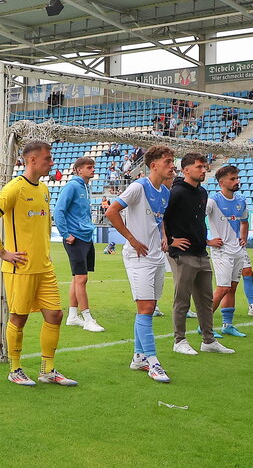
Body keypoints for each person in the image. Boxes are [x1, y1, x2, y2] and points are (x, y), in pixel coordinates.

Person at [0, 141, 77, 387]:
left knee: (55, 315)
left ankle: (47, 370)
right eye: (47, 158)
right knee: (19, 318)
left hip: (44, 266)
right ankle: (15, 369)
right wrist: (3, 252)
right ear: (32, 160)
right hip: (21, 267)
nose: (51, 162)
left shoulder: (44, 189)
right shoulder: (15, 188)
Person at [105, 145, 176, 382]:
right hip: (138, 257)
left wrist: (164, 236)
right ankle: (153, 362)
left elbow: (160, 219)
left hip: (156, 255)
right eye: (168, 161)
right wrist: (132, 239)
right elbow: (112, 212)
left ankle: (138, 357)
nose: (172, 165)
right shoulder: (138, 187)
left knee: (148, 307)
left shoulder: (165, 191)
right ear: (153, 165)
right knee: (146, 308)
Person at [164, 153, 235, 355]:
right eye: (199, 167)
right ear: (186, 170)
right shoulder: (175, 192)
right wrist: (170, 241)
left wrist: (204, 242)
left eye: (205, 167)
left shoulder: (202, 193)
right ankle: (179, 340)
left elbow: (196, 224)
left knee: (205, 300)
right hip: (182, 253)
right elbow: (161, 218)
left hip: (201, 253)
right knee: (182, 299)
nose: (204, 170)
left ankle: (208, 340)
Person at [206, 165, 253, 341]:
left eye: (237, 178)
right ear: (221, 182)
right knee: (222, 288)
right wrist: (207, 241)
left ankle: (227, 325)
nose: (237, 181)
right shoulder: (212, 201)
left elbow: (244, 221)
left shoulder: (241, 200)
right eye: (232, 179)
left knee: (231, 289)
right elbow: (195, 220)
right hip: (222, 252)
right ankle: (204, 325)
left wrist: (243, 238)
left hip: (237, 250)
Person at [54, 156, 103, 333]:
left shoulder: (84, 187)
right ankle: (88, 318)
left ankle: (73, 316)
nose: (93, 170)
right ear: (78, 170)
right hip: (76, 238)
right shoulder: (72, 186)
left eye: (93, 167)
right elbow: (58, 210)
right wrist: (66, 234)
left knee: (78, 277)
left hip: (85, 237)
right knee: (81, 278)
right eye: (89, 167)